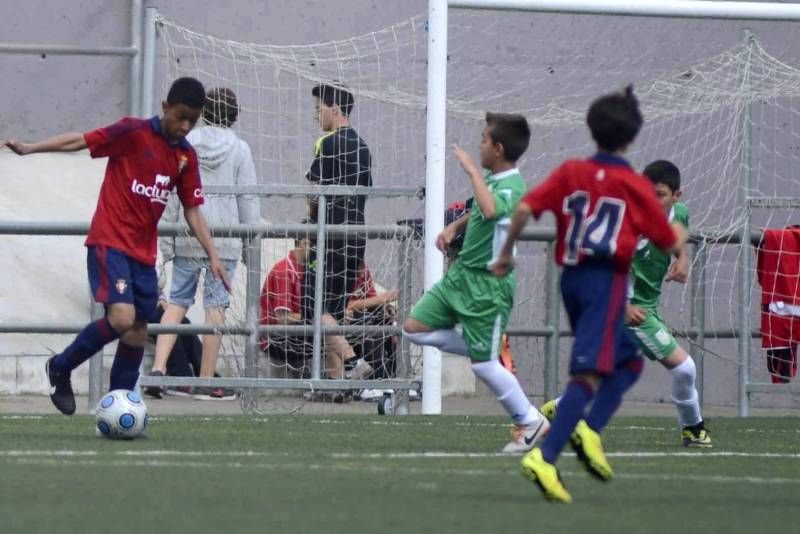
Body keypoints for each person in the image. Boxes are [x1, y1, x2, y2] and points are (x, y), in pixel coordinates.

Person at [493, 86, 686, 503]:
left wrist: (506, 252)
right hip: (604, 282)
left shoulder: (570, 172)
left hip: (573, 279)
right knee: (588, 375)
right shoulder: (633, 184)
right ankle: (545, 456)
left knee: (628, 363)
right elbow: (666, 236)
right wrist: (681, 250)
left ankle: (587, 431)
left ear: (591, 128)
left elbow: (526, 208)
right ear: (631, 138)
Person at [2, 77, 231, 415]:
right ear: (165, 107)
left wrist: (213, 255)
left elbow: (192, 209)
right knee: (123, 317)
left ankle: (118, 408)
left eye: (192, 121)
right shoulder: (133, 132)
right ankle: (60, 366)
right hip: (109, 243)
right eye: (180, 116)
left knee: (138, 330)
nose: (184, 126)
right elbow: (80, 140)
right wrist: (31, 148)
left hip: (143, 254)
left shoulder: (185, 156)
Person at [403, 112, 549, 453]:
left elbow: (490, 209)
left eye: (483, 140)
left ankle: (530, 420)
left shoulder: (514, 186)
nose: (479, 145)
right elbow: (479, 209)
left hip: (488, 287)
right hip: (461, 277)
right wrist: (454, 227)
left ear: (498, 149)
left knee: (483, 365)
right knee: (412, 327)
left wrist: (469, 170)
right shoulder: (493, 179)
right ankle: (483, 344)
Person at [149, 87, 259, 401]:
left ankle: (158, 369)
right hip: (223, 242)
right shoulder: (240, 149)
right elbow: (247, 200)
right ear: (234, 116)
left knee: (176, 302)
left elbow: (171, 191)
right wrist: (251, 249)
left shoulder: (187, 143)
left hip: (187, 234)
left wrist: (167, 243)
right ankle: (206, 379)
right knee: (216, 308)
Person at [301, 82, 372, 380]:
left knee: (312, 302)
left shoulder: (328, 142)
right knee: (334, 309)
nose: (316, 116)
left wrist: (310, 220)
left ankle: (354, 362)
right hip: (357, 233)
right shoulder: (364, 147)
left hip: (331, 234)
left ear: (335, 109)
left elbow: (313, 191)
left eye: (318, 109)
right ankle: (337, 381)